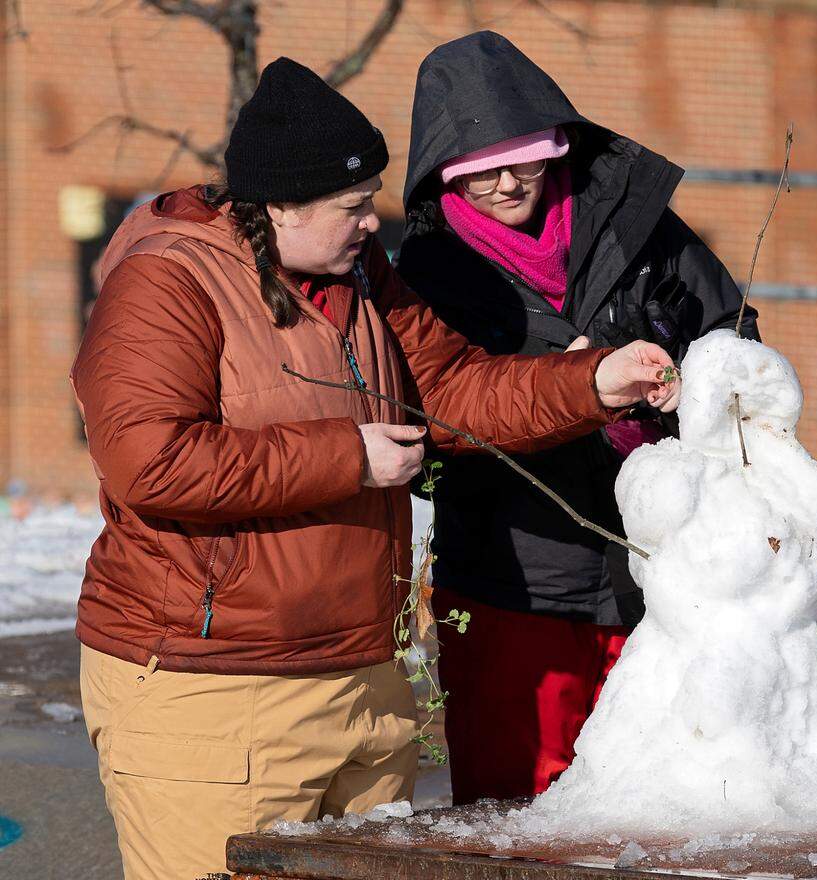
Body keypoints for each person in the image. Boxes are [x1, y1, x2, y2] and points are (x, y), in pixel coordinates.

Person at [70, 57, 678, 880]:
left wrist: (592, 382)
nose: (371, 224)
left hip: (361, 682)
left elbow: (455, 389)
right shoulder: (167, 284)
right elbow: (151, 459)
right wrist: (346, 455)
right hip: (208, 691)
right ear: (278, 206)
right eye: (352, 207)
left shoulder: (359, 277)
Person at [397, 31, 759, 805]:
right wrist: (576, 382)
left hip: (659, 566)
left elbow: (731, 330)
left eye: (526, 158)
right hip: (513, 588)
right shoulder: (425, 276)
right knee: (518, 821)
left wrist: (690, 379)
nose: (505, 183)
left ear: (557, 146)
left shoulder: (636, 224)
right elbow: (437, 427)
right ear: (443, 176)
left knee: (662, 806)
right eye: (477, 172)